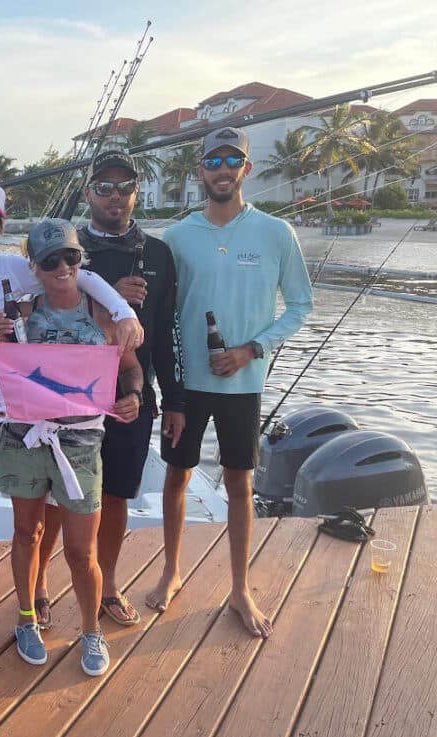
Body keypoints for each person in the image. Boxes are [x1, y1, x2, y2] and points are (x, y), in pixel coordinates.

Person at [0, 178, 143, 654]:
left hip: (5, 418)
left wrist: (120, 308)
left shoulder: (15, 268)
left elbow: (81, 278)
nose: (60, 267)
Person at [147, 127, 313, 638]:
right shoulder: (176, 237)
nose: (222, 168)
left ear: (245, 170)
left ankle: (240, 588)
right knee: (176, 478)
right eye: (213, 160)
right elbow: (159, 313)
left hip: (243, 383)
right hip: (186, 386)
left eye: (231, 160)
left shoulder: (277, 233)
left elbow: (301, 306)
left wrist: (250, 350)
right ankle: (172, 570)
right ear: (201, 171)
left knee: (240, 484)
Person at [31, 150, 185, 629]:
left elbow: (168, 330)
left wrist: (170, 399)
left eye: (124, 186)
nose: (114, 196)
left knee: (114, 494)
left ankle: (108, 584)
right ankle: (37, 585)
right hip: (67, 398)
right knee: (55, 495)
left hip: (130, 394)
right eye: (104, 187)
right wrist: (110, 295)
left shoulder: (158, 254)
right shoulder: (70, 251)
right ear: (88, 193)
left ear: (136, 191)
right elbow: (38, 302)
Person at [0, 218, 143, 677]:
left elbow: (131, 368)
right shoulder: (18, 315)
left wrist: (134, 395)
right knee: (27, 533)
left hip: (81, 440)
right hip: (25, 435)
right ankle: (24, 618)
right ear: (34, 267)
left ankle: (90, 629)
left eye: (71, 257)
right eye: (50, 260)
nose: (62, 267)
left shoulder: (103, 314)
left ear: (82, 261)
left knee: (82, 550)